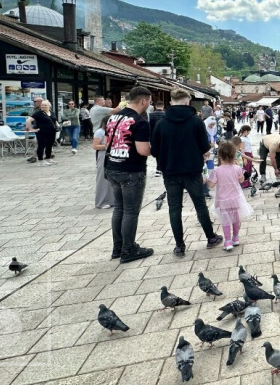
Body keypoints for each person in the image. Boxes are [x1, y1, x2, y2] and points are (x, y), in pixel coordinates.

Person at [150, 89, 223, 257]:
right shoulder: (195, 121)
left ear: (171, 102)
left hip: (170, 171)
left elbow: (154, 150)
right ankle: (210, 238)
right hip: (191, 170)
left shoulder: (161, 123)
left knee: (174, 208)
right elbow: (205, 146)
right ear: (187, 102)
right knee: (199, 205)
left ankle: (179, 245)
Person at [104, 86, 154, 264]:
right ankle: (129, 249)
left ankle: (117, 247)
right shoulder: (139, 122)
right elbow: (142, 150)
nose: (148, 105)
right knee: (131, 211)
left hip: (112, 166)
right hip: (131, 170)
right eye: (148, 101)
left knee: (119, 208)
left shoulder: (113, 117)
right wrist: (154, 148)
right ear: (143, 101)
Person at [206, 141, 248, 251]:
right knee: (236, 219)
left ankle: (228, 241)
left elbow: (211, 185)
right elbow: (242, 180)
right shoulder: (237, 168)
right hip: (235, 198)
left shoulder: (217, 171)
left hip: (223, 200)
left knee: (225, 221)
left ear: (220, 156)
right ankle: (236, 238)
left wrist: (206, 179)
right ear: (233, 155)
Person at [28, 100, 59, 167]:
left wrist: (58, 125)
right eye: (42, 105)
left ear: (49, 106)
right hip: (42, 132)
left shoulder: (52, 112)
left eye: (45, 105)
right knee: (41, 146)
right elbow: (28, 120)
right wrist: (31, 129)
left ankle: (48, 158)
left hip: (51, 131)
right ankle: (40, 160)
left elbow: (54, 120)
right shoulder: (38, 113)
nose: (44, 106)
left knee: (49, 145)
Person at [92, 118, 114, 209]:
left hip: (112, 156)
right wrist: (107, 146)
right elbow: (95, 146)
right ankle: (101, 201)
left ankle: (111, 200)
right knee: (102, 179)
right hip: (103, 155)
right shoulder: (100, 132)